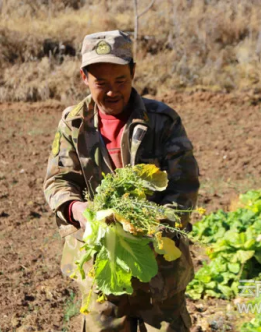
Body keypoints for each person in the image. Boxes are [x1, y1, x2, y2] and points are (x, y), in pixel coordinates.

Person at [43, 30, 199, 332]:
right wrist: (80, 212)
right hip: (102, 270)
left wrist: (155, 224)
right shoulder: (73, 123)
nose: (112, 91)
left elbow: (184, 186)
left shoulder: (162, 121)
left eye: (121, 81)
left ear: (133, 73)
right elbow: (57, 182)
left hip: (159, 271)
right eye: (101, 83)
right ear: (84, 77)